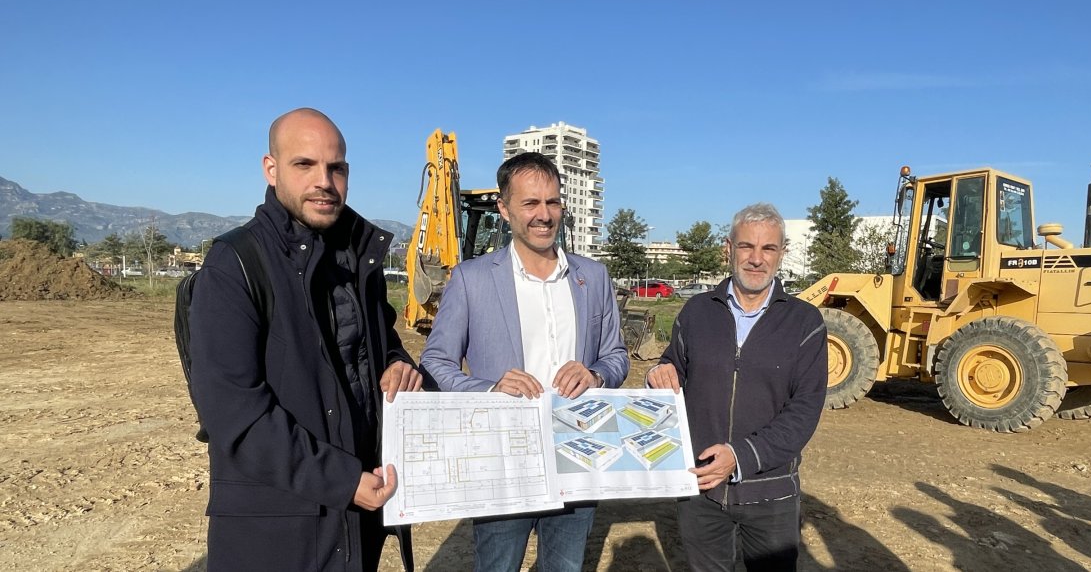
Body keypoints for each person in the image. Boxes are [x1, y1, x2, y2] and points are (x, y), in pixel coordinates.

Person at [189, 108, 424, 571]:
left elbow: (377, 344)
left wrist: (399, 363)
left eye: (336, 168)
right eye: (305, 165)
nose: (325, 181)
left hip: (357, 519)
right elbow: (236, 415)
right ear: (271, 169)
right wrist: (342, 480)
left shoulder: (359, 261)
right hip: (277, 530)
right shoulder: (235, 265)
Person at [420, 151, 629, 572]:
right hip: (502, 460)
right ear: (504, 208)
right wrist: (489, 388)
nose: (543, 215)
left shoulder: (594, 278)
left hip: (576, 458)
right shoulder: (471, 279)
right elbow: (436, 361)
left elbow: (617, 356)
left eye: (552, 202)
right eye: (530, 203)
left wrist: (596, 373)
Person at [648, 202, 827, 572]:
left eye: (768, 249)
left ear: (782, 254)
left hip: (771, 492)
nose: (756, 259)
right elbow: (674, 367)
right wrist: (660, 371)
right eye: (747, 246)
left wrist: (740, 456)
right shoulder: (696, 312)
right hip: (701, 489)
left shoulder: (805, 322)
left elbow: (804, 412)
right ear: (728, 249)